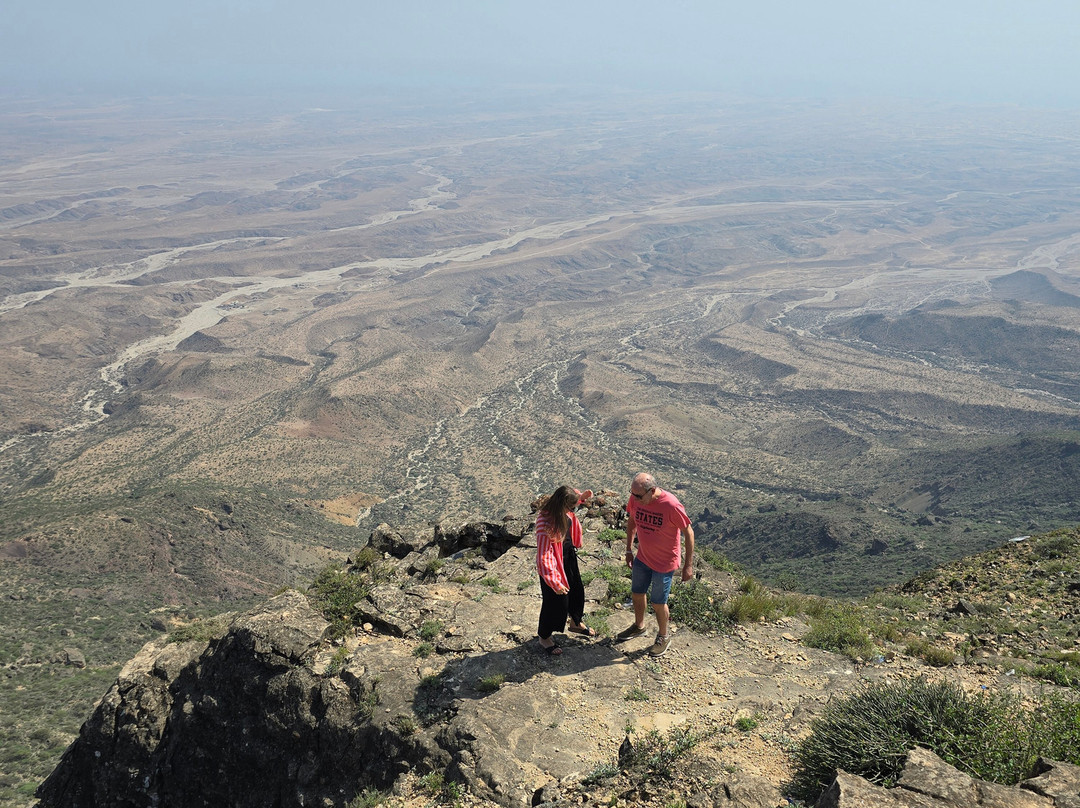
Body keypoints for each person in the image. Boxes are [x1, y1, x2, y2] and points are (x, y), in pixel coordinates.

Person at [617, 472, 694, 657]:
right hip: (643, 557)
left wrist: (688, 565)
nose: (633, 499)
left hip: (665, 563)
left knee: (658, 603)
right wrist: (629, 549)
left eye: (638, 496)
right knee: (637, 593)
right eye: (632, 494)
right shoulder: (637, 498)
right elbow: (632, 522)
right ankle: (639, 626)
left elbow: (688, 533)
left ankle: (663, 635)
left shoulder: (671, 505)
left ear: (652, 491)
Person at [535, 485, 594, 654]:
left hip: (568, 556)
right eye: (572, 507)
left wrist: (582, 496)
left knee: (576, 591)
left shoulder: (563, 509)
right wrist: (554, 581)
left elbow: (573, 494)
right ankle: (544, 637)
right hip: (553, 565)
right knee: (555, 602)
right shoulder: (545, 523)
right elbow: (544, 556)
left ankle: (575, 622)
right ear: (563, 506)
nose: (574, 510)